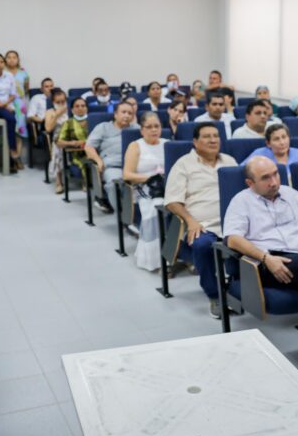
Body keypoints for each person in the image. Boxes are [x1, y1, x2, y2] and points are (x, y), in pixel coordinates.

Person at [164, 122, 238, 318]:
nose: (213, 140)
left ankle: (240, 290)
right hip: (202, 224)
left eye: (216, 135)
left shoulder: (230, 161)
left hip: (234, 222)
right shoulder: (183, 165)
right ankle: (214, 295)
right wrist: (190, 220)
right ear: (195, 142)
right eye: (207, 136)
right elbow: (172, 201)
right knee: (202, 246)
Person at [223, 156, 298, 298]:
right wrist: (266, 259)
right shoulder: (241, 201)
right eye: (265, 178)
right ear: (250, 183)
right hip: (266, 263)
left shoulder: (292, 194)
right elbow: (232, 239)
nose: (274, 182)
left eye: (275, 174)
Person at [122, 111, 168, 271]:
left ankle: (179, 254)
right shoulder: (136, 146)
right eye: (149, 127)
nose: (154, 130)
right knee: (157, 207)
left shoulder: (167, 144)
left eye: (157, 126)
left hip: (167, 186)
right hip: (144, 188)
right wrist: (151, 177)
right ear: (142, 130)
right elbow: (127, 174)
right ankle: (157, 259)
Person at [84, 101, 138, 213]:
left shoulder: (137, 129)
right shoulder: (103, 127)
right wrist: (98, 160)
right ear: (115, 114)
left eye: (130, 113)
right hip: (113, 166)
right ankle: (124, 215)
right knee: (115, 184)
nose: (127, 115)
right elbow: (89, 147)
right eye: (123, 112)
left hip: (135, 166)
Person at [55, 96, 89, 192]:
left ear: (87, 108)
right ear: (72, 110)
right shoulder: (68, 123)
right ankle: (87, 183)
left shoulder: (93, 121)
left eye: (83, 106)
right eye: (77, 106)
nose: (80, 108)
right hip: (78, 153)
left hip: (95, 150)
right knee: (85, 163)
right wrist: (72, 143)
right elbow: (59, 142)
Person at [4, 51, 30, 171]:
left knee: (19, 132)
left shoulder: (23, 73)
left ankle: (17, 158)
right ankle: (8, 160)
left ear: (18, 59)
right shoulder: (1, 73)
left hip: (20, 105)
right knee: (8, 131)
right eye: (9, 57)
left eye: (14, 57)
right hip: (6, 103)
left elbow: (26, 89)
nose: (11, 60)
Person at [44, 88, 69, 193]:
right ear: (53, 102)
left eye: (63, 101)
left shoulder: (71, 109)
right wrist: (57, 115)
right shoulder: (50, 112)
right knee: (57, 150)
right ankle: (59, 182)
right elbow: (48, 128)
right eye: (58, 102)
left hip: (71, 135)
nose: (61, 104)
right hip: (58, 137)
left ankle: (84, 181)